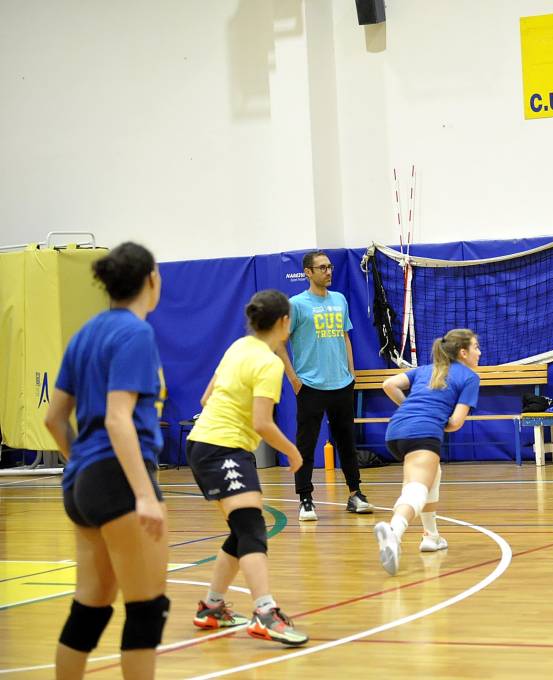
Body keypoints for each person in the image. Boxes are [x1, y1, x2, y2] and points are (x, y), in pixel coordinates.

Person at [44, 242, 169, 680]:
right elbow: (118, 418)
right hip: (119, 479)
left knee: (91, 605)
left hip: (82, 481)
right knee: (146, 608)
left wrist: (84, 465)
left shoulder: (86, 333)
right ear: (151, 279)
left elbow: (53, 418)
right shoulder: (137, 333)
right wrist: (144, 496)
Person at [186, 290, 308, 645]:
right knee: (252, 528)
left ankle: (211, 608)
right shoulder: (269, 363)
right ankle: (265, 613)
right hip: (222, 448)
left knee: (243, 531)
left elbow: (206, 398)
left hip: (208, 443)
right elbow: (262, 423)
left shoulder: (238, 347)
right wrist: (293, 452)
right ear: (284, 322)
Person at [373, 329, 481, 576]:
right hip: (423, 433)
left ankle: (431, 537)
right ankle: (394, 531)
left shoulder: (425, 369)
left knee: (432, 475)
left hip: (395, 430)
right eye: (475, 347)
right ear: (463, 353)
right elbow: (455, 423)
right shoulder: (470, 377)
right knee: (417, 489)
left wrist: (411, 409)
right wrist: (432, 419)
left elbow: (388, 384)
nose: (479, 352)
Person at [277, 250, 371, 521]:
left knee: (347, 443)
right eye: (322, 268)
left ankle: (355, 494)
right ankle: (305, 500)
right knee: (306, 446)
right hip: (310, 386)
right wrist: (294, 380)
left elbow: (345, 336)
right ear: (308, 272)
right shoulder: (296, 304)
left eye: (329, 267)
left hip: (341, 384)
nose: (328, 272)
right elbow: (279, 343)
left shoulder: (339, 299)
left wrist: (351, 372)